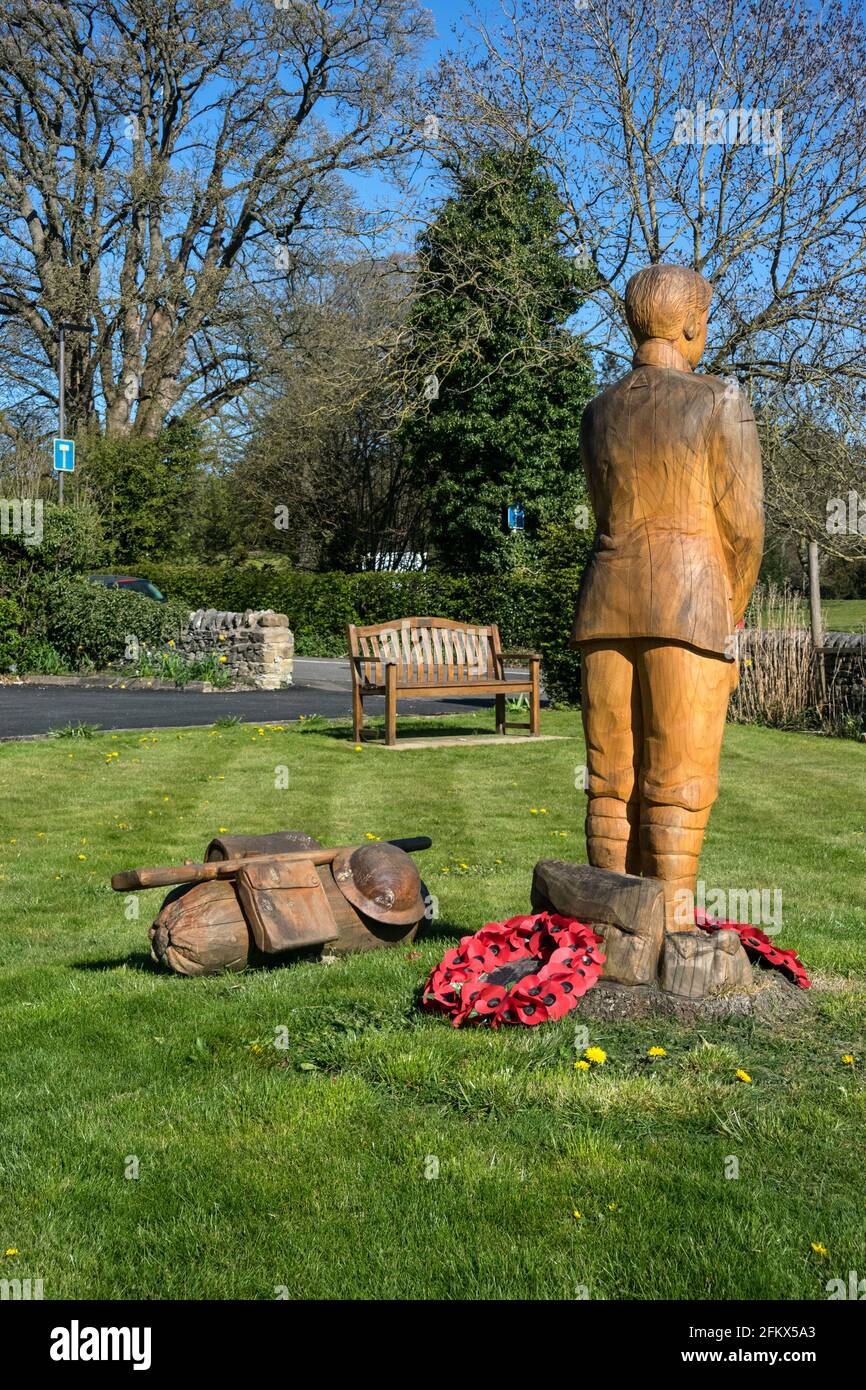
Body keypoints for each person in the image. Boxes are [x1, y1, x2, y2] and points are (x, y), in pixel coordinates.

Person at [571, 263, 764, 930]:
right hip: (690, 605)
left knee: (610, 779)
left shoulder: (598, 413)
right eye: (703, 322)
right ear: (688, 325)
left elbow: (603, 512)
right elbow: (744, 526)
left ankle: (604, 922)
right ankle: (672, 923)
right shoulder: (720, 400)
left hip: (604, 605)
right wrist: (732, 612)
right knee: (677, 779)